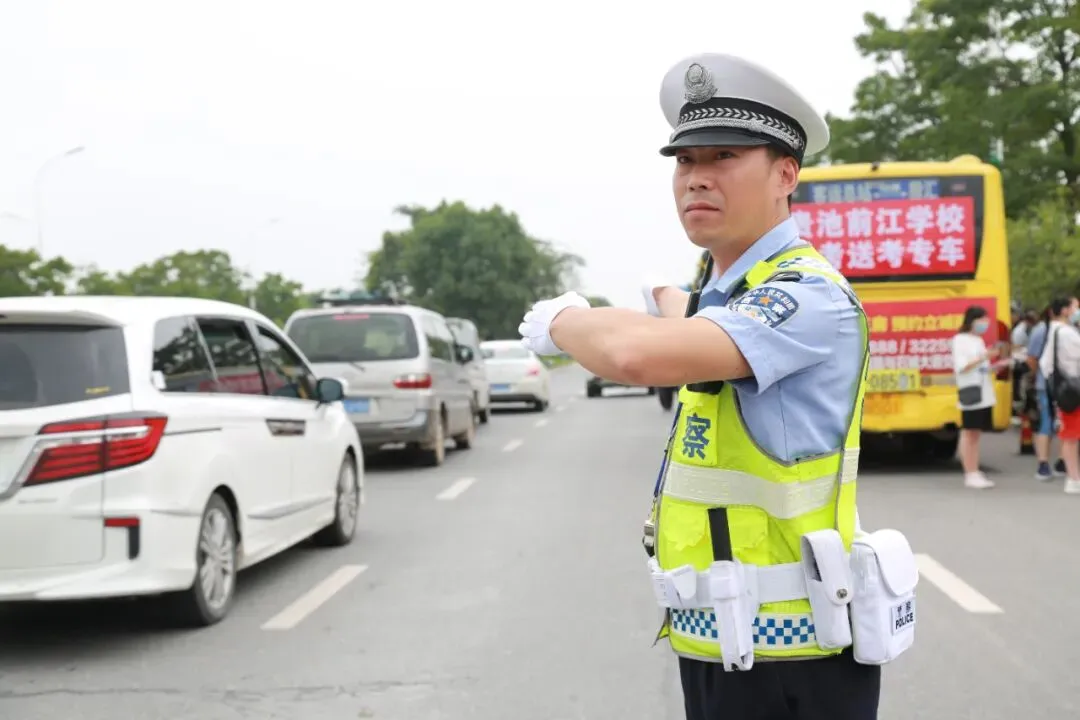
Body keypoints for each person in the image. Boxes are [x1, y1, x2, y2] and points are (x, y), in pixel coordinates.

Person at [518, 53, 912, 720]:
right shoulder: (737, 293)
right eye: (684, 162)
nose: (696, 179)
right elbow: (701, 325)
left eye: (723, 157)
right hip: (730, 648)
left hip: (793, 664)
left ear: (786, 174)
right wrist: (672, 294)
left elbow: (635, 354)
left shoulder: (807, 295)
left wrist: (564, 320)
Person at [951, 305, 1008, 489]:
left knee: (976, 434)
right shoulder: (960, 340)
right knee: (969, 433)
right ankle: (970, 472)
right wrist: (985, 356)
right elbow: (963, 366)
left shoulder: (977, 340)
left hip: (984, 392)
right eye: (982, 320)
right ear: (972, 320)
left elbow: (980, 366)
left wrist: (996, 365)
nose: (985, 324)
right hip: (971, 392)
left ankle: (975, 470)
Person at [1038, 296, 1080, 494]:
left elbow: (1045, 365)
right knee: (1071, 436)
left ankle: (1073, 477)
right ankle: (1073, 479)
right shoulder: (1066, 333)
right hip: (1074, 388)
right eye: (1075, 307)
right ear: (1064, 310)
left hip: (1067, 389)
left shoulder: (1055, 330)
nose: (1077, 311)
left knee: (1069, 435)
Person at [1027, 306, 1068, 480]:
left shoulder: (1071, 329)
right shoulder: (1041, 331)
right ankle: (1043, 464)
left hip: (1068, 386)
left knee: (1066, 423)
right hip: (1047, 385)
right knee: (1047, 423)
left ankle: (1063, 461)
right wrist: (1041, 376)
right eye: (1071, 307)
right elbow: (1031, 358)